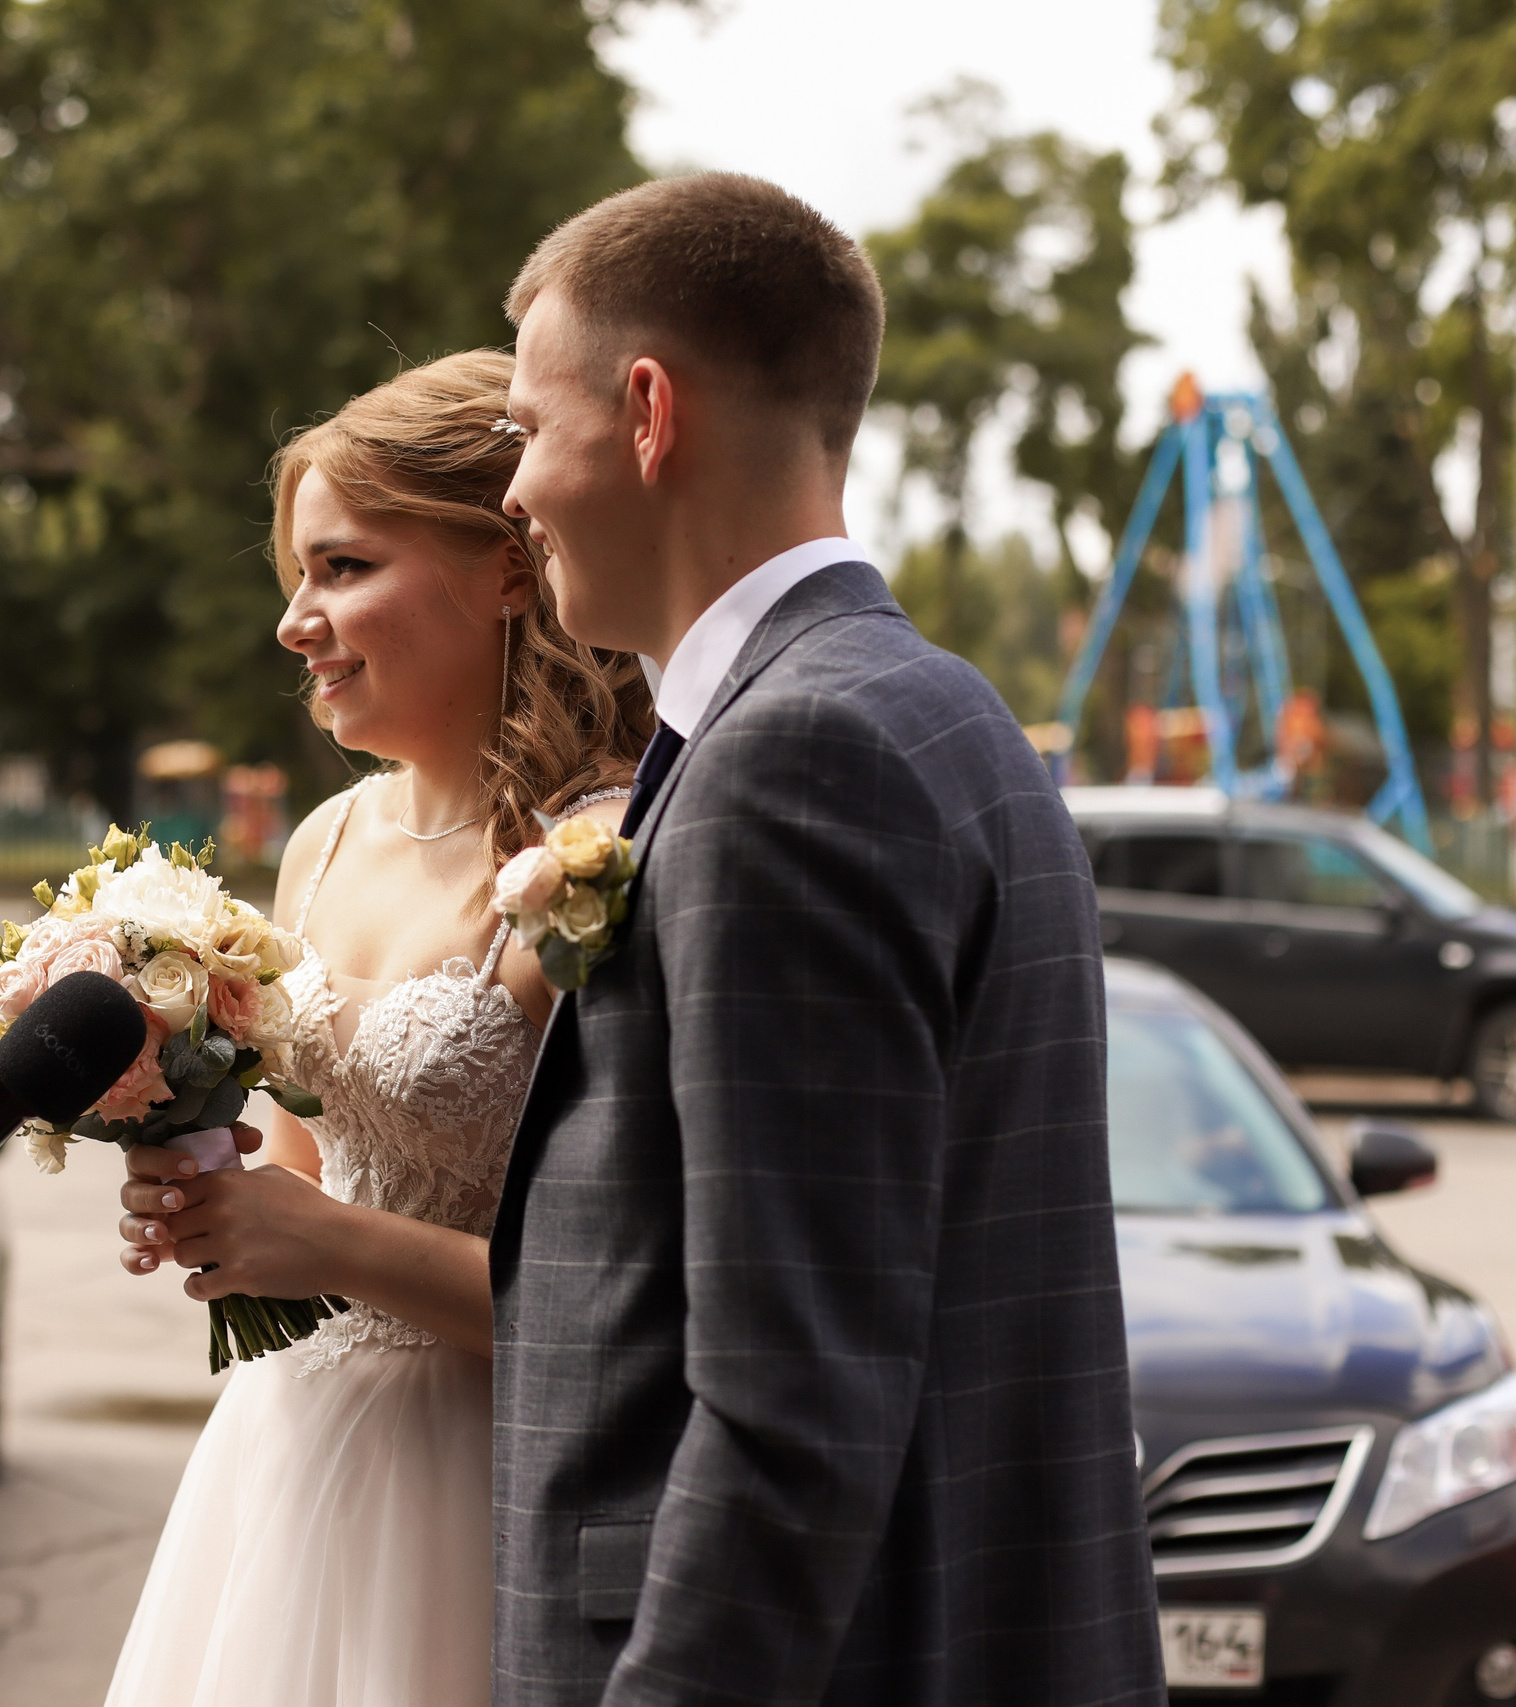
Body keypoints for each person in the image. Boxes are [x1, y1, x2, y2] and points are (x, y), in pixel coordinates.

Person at [486, 175, 1164, 1704]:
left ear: (648, 411)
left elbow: (790, 1406)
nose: (514, 492)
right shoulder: (945, 712)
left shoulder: (792, 761)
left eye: (528, 429)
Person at [104, 349, 651, 1706]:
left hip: (488, 1469)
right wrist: (208, 1196)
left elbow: (627, 1295)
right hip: (288, 1450)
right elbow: (304, 1177)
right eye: (297, 576)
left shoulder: (603, 855)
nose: (296, 622)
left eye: (343, 569)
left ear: (508, 567)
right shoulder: (323, 840)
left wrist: (322, 1239)